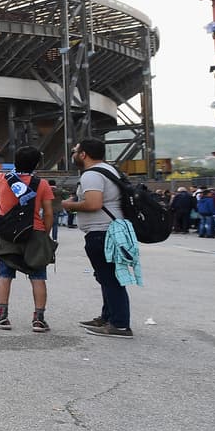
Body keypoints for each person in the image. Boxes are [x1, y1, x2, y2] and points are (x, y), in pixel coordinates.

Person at [61, 137, 133, 339]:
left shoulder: (91, 175)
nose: (73, 154)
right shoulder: (110, 170)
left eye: (75, 151)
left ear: (83, 154)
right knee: (106, 277)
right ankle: (108, 317)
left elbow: (93, 204)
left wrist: (69, 205)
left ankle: (119, 325)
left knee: (110, 278)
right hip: (111, 230)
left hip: (102, 232)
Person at [0, 143, 55, 332]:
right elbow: (48, 213)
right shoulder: (42, 184)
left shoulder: (4, 179)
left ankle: (2, 317)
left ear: (15, 162)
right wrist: (44, 234)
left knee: (5, 275)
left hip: (9, 235)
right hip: (35, 232)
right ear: (36, 165)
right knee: (38, 277)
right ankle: (38, 319)